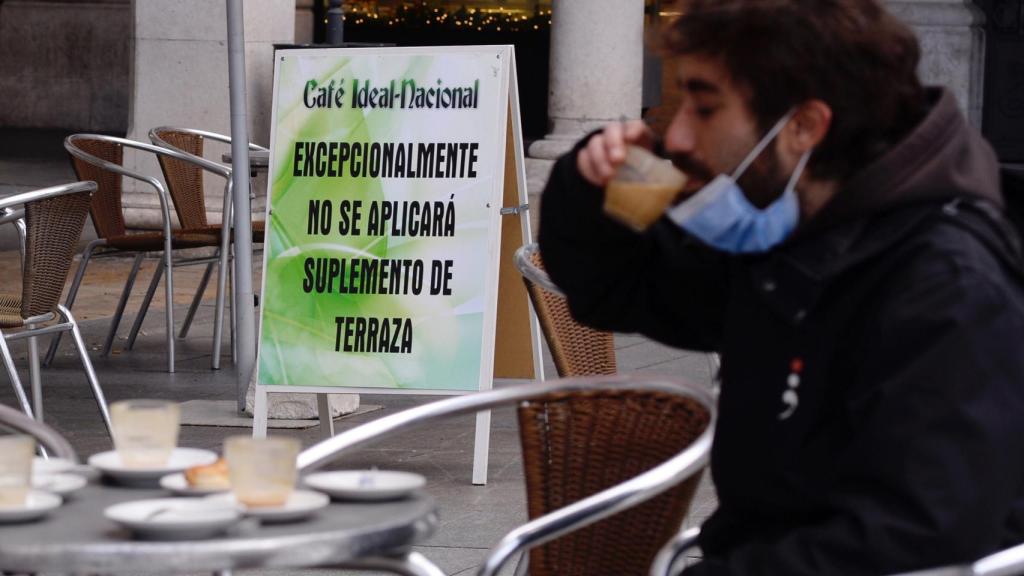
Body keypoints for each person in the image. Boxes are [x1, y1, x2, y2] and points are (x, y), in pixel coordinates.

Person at [537, 1, 1024, 574]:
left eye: (705, 105)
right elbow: (618, 289)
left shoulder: (945, 285)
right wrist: (598, 183)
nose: (680, 134)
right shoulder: (784, 225)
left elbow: (912, 535)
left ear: (803, 127)